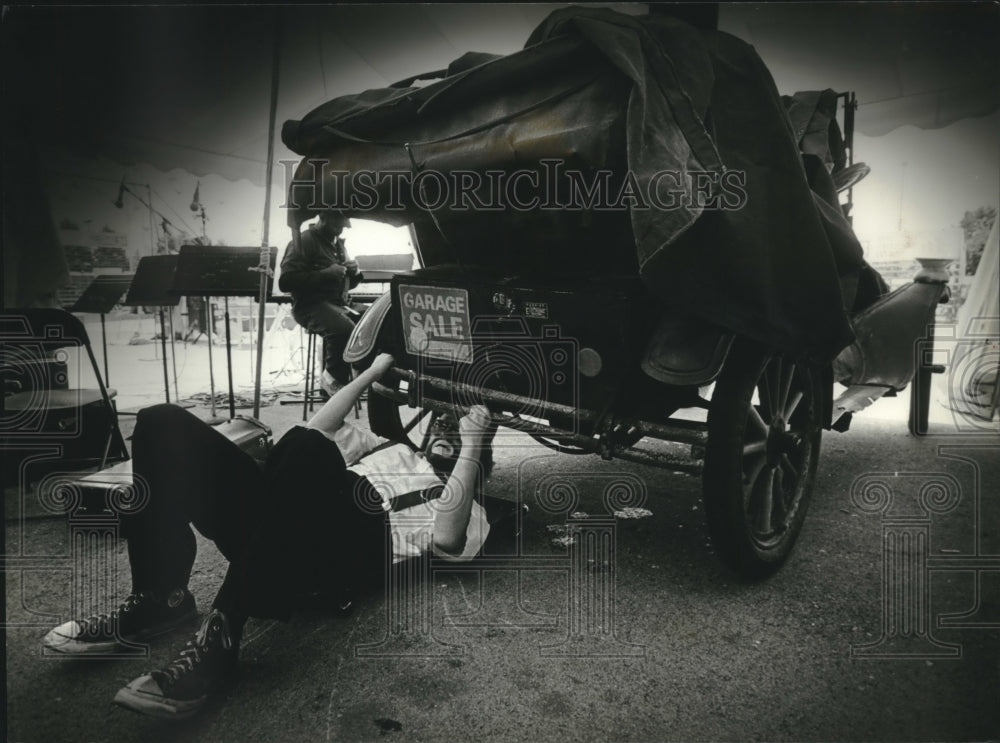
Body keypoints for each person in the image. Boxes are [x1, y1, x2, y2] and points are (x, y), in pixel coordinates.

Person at [42, 353, 496, 720]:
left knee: (306, 449)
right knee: (162, 421)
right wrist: (372, 374)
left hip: (335, 555)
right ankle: (163, 597)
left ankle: (222, 633)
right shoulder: (392, 450)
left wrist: (473, 444)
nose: (446, 428)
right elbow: (321, 425)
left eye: (455, 431)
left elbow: (448, 540)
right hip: (279, 522)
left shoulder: (468, 506)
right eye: (442, 422)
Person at [278, 211, 362, 390]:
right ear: (322, 218)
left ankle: (360, 378)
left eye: (342, 227)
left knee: (375, 323)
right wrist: (325, 274)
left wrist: (354, 273)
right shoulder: (304, 241)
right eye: (336, 226)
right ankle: (333, 385)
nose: (339, 231)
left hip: (339, 304)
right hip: (310, 305)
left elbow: (346, 283)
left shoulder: (338, 244)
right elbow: (285, 282)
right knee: (344, 330)